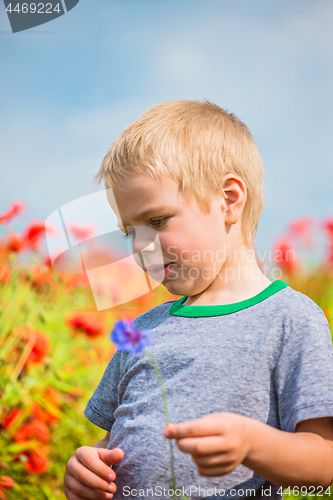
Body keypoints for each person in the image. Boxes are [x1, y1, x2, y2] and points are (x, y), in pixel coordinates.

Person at [63, 100, 333, 500]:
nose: (140, 247)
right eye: (129, 231)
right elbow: (116, 441)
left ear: (229, 199)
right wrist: (87, 467)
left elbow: (324, 464)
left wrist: (253, 444)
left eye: (156, 221)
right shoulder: (143, 330)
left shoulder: (288, 319)